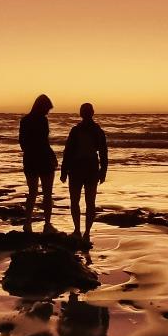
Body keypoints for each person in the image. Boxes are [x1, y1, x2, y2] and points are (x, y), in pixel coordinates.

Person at [60, 102, 108, 244]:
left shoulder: (78, 130)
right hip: (89, 167)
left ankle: (79, 231)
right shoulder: (96, 130)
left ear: (81, 113)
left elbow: (68, 152)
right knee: (89, 202)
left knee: (76, 201)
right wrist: (103, 171)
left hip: (79, 168)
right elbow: (103, 153)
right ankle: (85, 232)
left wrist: (64, 170)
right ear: (92, 113)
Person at [19, 94, 57, 233]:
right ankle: (47, 224)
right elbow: (44, 142)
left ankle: (27, 223)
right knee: (47, 193)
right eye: (47, 109)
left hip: (30, 159)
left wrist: (29, 153)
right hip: (44, 159)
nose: (48, 112)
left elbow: (22, 142)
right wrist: (52, 156)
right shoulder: (42, 121)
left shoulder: (25, 120)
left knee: (32, 192)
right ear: (42, 107)